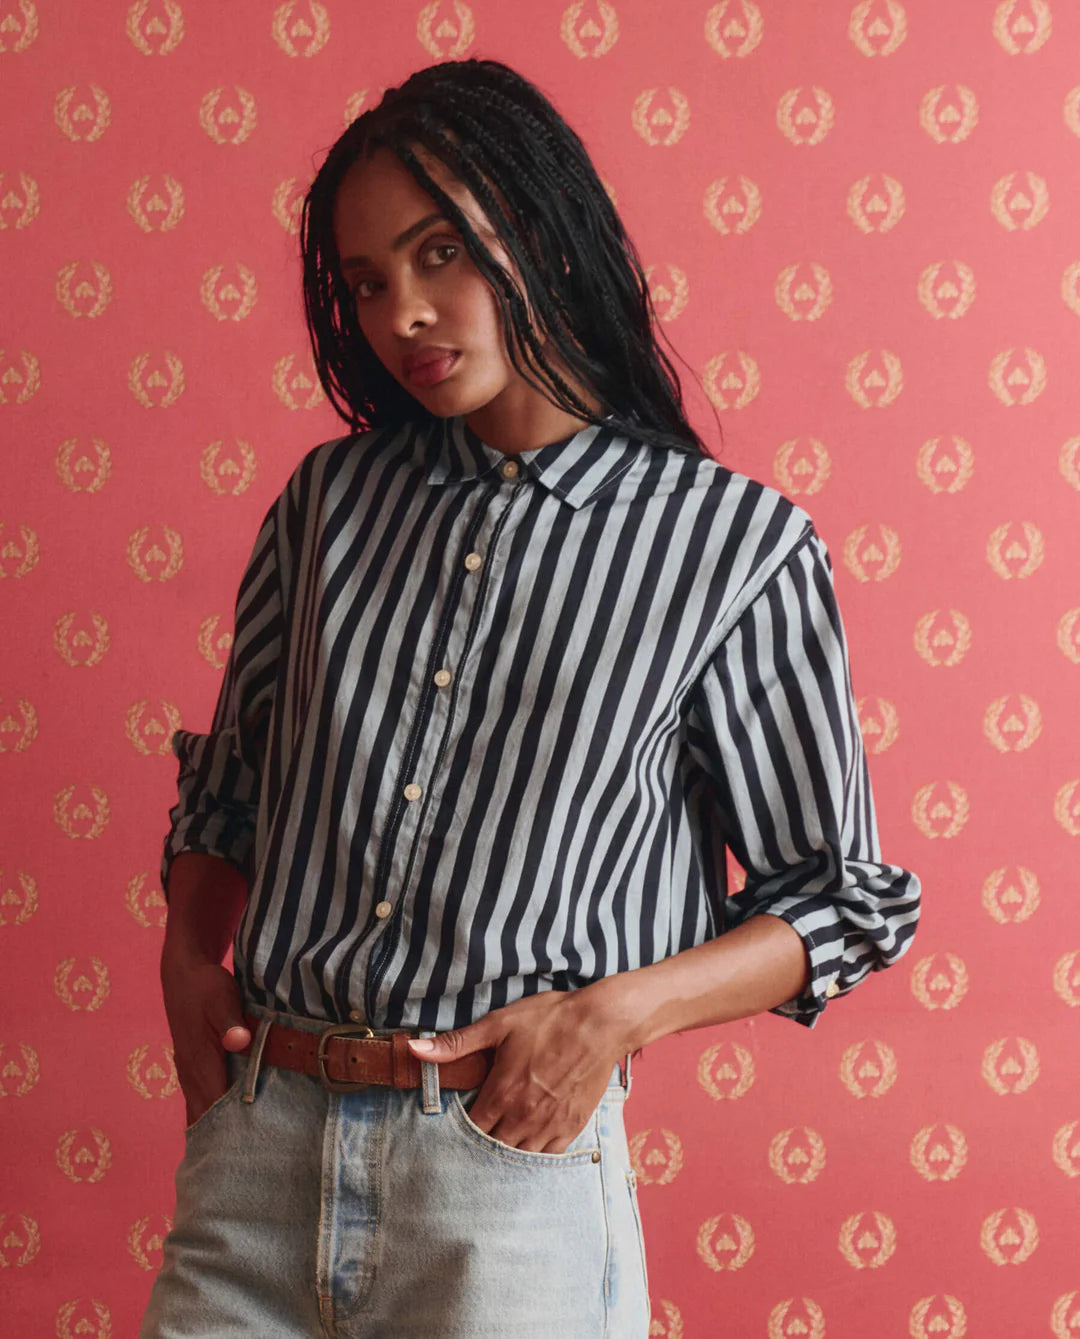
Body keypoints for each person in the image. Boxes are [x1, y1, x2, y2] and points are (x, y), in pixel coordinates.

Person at [140, 57, 921, 1339]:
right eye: (369, 280)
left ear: (540, 232)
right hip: (259, 1152)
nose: (406, 314)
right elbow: (229, 791)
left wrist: (611, 1016)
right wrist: (187, 955)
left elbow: (838, 896)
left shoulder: (731, 550)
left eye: (441, 252)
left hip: (506, 1172)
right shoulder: (329, 507)